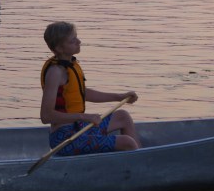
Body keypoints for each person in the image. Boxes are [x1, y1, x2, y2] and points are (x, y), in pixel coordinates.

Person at [40, 21, 141, 156]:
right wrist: (84, 117)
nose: (79, 41)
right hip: (65, 139)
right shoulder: (55, 72)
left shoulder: (70, 65)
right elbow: (46, 116)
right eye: (72, 40)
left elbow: (83, 94)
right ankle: (139, 164)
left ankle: (141, 157)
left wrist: (120, 97)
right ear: (59, 48)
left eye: (76, 37)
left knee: (123, 116)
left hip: (79, 128)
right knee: (127, 142)